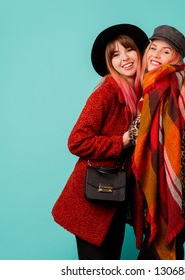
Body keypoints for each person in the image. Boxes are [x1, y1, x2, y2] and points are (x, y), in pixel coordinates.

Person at [52, 24, 149, 260]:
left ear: (139, 53)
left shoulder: (140, 94)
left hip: (115, 199)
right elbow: (77, 141)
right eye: (115, 55)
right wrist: (122, 141)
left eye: (128, 50)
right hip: (92, 201)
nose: (124, 58)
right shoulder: (107, 92)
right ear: (109, 62)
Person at [126, 25, 185, 260]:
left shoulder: (168, 90)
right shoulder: (155, 87)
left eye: (165, 51)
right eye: (153, 48)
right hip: (170, 190)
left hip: (179, 193)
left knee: (157, 258)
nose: (155, 54)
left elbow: (138, 134)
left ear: (178, 59)